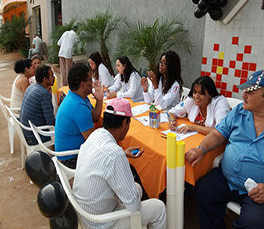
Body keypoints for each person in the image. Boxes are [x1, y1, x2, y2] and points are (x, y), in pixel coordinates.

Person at [185, 70, 264, 229]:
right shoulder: (240, 111)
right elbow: (218, 134)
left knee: (253, 221)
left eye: (250, 91)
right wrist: (201, 149)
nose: (243, 96)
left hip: (258, 190)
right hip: (226, 178)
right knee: (202, 191)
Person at [73, 98, 167, 228]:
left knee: (137, 189)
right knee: (159, 208)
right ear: (124, 122)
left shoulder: (95, 135)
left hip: (86, 213)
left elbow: (104, 159)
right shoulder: (115, 154)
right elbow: (134, 206)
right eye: (129, 123)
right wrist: (121, 157)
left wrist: (122, 153)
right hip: (101, 223)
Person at [55, 63, 104, 169]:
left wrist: (99, 100)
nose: (92, 83)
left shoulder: (78, 96)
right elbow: (93, 141)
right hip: (70, 158)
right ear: (82, 84)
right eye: (90, 80)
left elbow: (95, 118)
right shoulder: (78, 106)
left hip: (68, 152)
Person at [19, 65, 55, 145]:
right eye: (52, 76)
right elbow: (51, 121)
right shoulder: (44, 94)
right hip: (35, 136)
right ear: (45, 79)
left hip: (27, 131)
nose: (54, 78)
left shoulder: (31, 87)